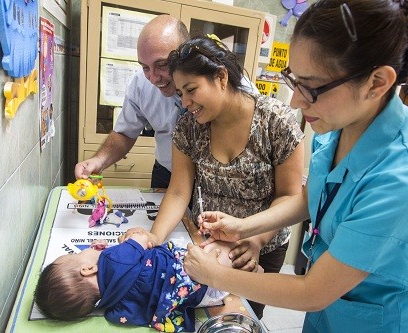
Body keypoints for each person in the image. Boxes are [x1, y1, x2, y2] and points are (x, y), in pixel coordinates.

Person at [183, 1, 408, 332]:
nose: (297, 102)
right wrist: (242, 227)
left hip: (377, 321)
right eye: (294, 80)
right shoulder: (337, 126)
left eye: (313, 87)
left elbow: (312, 292)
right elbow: (311, 198)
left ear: (377, 82)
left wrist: (215, 274)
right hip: (331, 312)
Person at [119, 35, 305, 319]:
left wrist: (254, 240)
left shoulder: (276, 122)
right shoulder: (189, 127)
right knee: (200, 311)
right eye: (180, 92)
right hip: (207, 242)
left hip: (261, 245)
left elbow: (290, 196)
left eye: (191, 90)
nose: (185, 101)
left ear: (221, 77)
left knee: (242, 317)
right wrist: (155, 236)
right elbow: (180, 191)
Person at [74, 15, 257, 188]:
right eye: (145, 67)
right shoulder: (141, 84)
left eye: (162, 64)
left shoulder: (232, 86)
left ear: (183, 53)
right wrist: (98, 160)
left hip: (214, 179)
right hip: (167, 173)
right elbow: (125, 132)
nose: (153, 78)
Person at [34, 233, 237, 332]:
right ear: (87, 269)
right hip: (202, 273)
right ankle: (245, 263)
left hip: (199, 298)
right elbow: (140, 239)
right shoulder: (113, 258)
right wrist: (132, 239)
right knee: (223, 245)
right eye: (76, 255)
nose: (82, 250)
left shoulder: (115, 311)